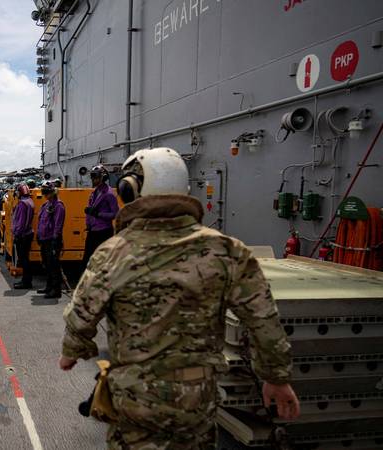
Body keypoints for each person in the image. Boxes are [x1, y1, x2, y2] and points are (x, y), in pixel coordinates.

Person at [59, 148, 300, 449]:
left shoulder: (113, 252)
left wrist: (72, 351)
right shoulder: (227, 250)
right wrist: (276, 378)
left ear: (130, 190)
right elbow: (263, 318)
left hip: (135, 395)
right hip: (196, 398)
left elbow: (83, 313)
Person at [82, 164, 118, 268]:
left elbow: (115, 214)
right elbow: (91, 211)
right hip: (93, 231)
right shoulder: (94, 193)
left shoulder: (109, 194)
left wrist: (98, 214)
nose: (93, 179)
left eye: (95, 176)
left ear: (103, 177)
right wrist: (88, 223)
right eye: (92, 176)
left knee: (103, 261)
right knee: (87, 260)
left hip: (103, 232)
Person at [37, 181, 65, 298]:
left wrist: (55, 239)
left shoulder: (58, 206)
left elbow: (58, 224)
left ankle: (56, 290)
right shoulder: (46, 205)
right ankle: (49, 287)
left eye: (46, 192)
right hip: (44, 239)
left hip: (52, 240)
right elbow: (41, 221)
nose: (44, 195)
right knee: (47, 264)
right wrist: (39, 235)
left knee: (53, 265)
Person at [11, 183, 35, 289]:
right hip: (28, 233)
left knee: (23, 259)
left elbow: (20, 222)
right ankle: (27, 280)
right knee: (26, 259)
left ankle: (26, 282)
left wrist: (17, 234)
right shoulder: (30, 201)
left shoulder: (22, 204)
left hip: (23, 235)